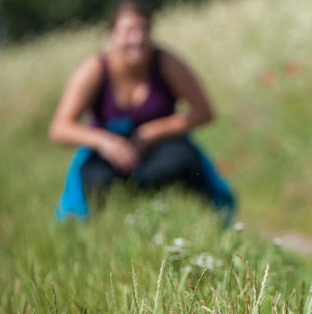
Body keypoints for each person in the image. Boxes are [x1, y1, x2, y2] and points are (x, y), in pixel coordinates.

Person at [49, 1, 234, 223]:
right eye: (128, 31)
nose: (137, 39)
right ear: (113, 35)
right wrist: (104, 141)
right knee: (95, 178)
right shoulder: (95, 69)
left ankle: (193, 220)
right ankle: (109, 227)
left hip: (161, 148)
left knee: (181, 161)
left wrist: (153, 131)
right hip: (109, 152)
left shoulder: (167, 63)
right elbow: (60, 128)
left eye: (143, 29)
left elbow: (204, 112)